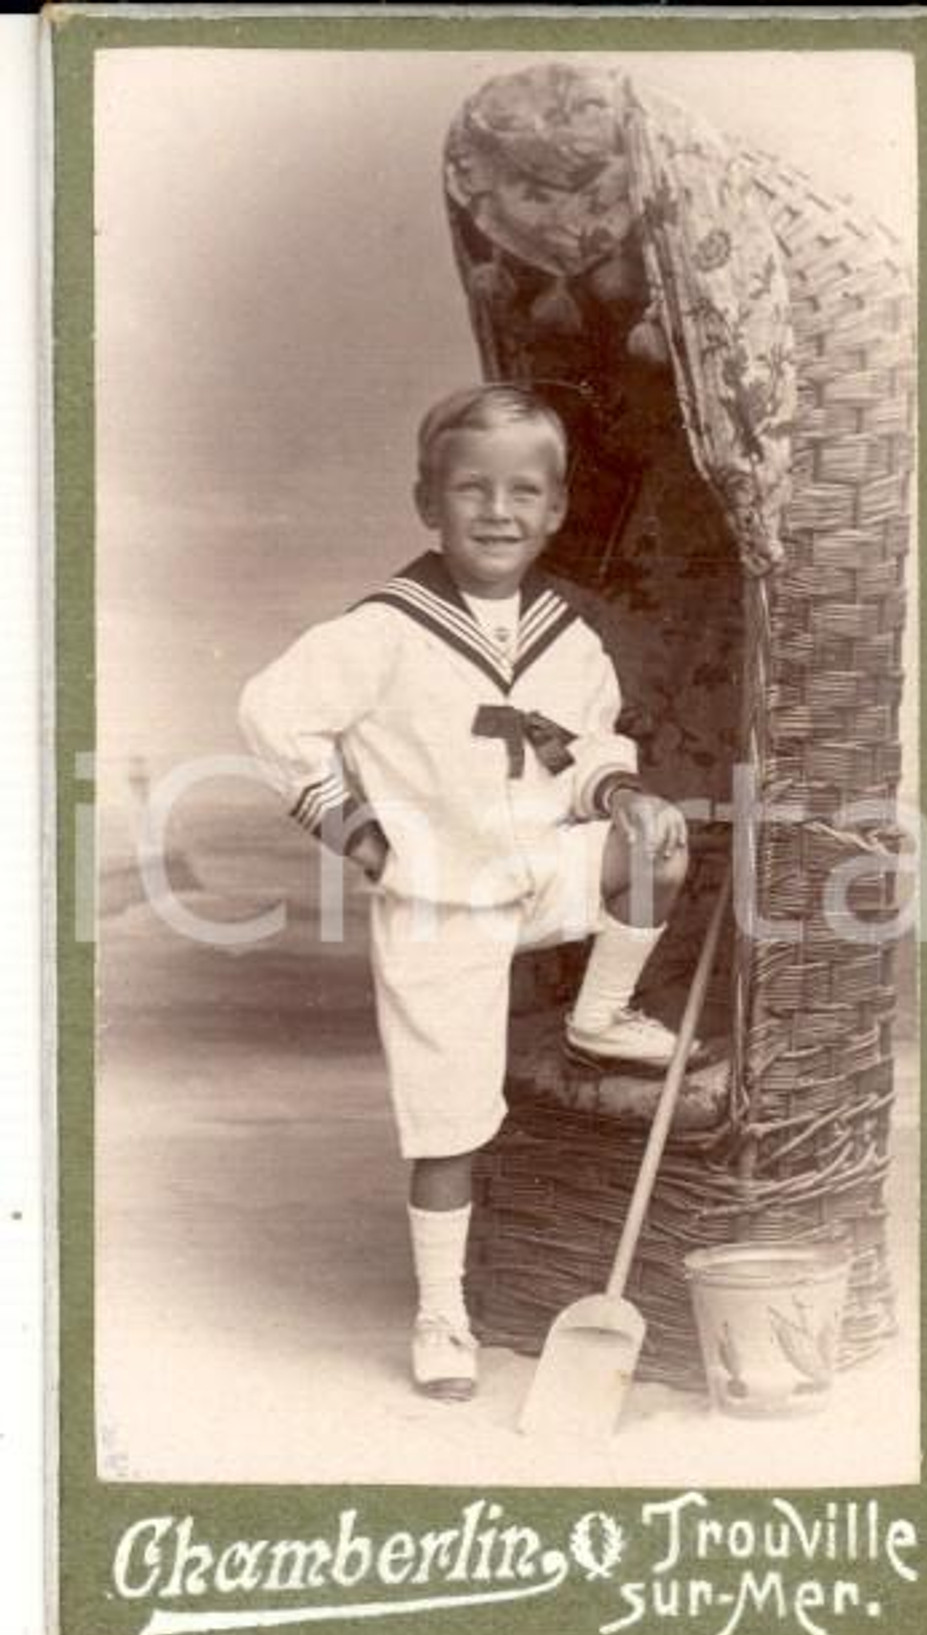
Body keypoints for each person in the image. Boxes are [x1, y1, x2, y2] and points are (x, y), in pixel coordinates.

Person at [238, 384, 689, 1403]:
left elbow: (580, 751)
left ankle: (600, 1013)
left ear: (558, 509)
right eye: (470, 489)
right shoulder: (387, 629)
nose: (497, 511)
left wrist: (620, 791)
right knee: (448, 1125)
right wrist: (346, 823)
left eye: (523, 491)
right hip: (439, 896)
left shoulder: (563, 637)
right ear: (426, 502)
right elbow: (272, 713)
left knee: (659, 842)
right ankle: (442, 1311)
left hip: (535, 870)